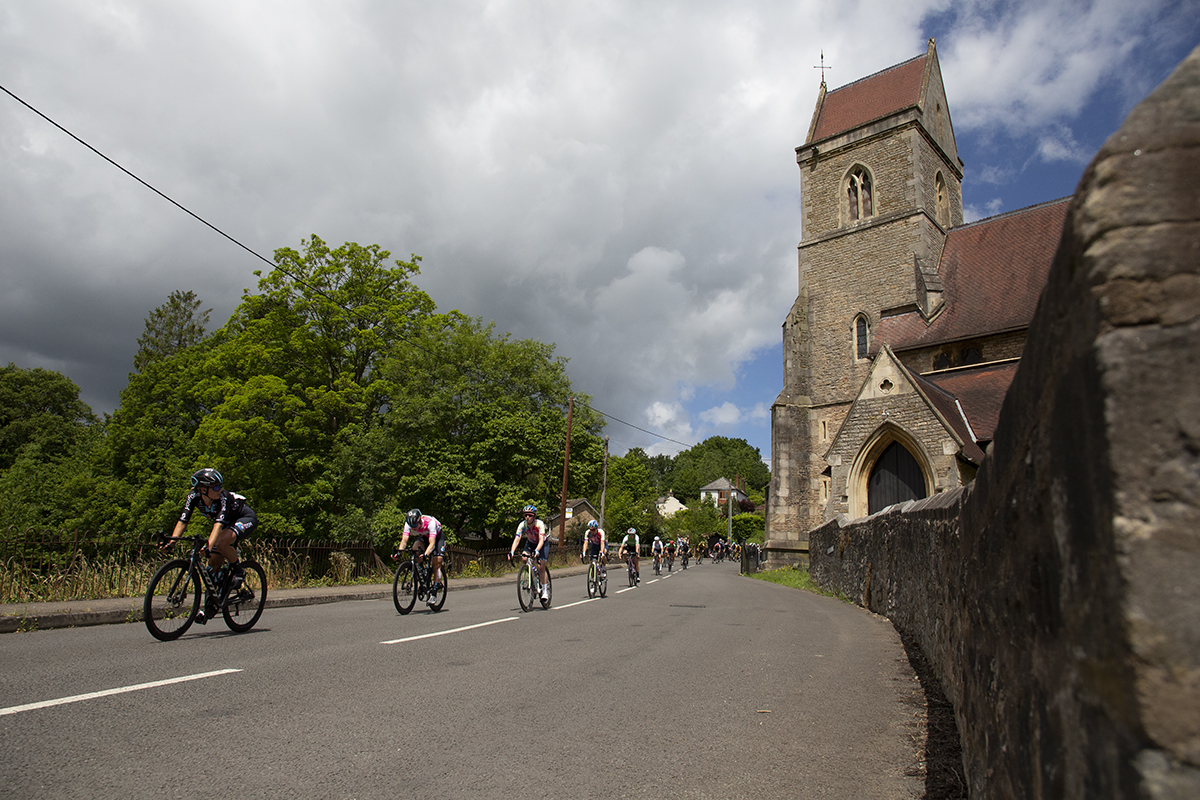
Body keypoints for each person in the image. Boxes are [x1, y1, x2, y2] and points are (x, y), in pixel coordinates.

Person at [165, 468, 256, 624]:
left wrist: (209, 545)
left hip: (244, 518)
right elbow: (183, 521)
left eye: (220, 486)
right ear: (203, 489)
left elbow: (217, 525)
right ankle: (210, 606)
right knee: (212, 564)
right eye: (215, 487)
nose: (219, 490)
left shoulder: (223, 498)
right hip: (225, 524)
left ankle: (239, 572)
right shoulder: (193, 497)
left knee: (220, 543)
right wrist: (171, 542)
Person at [393, 509, 447, 597]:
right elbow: (404, 540)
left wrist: (426, 554)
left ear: (420, 521)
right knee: (415, 548)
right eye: (411, 526)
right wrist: (399, 552)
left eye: (414, 525)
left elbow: (432, 543)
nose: (413, 528)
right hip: (425, 536)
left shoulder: (430, 523)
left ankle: (434, 590)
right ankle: (422, 571)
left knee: (436, 563)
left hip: (437, 537)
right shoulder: (408, 524)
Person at [508, 504, 550, 600]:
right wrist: (512, 552)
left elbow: (541, 540)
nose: (527, 517)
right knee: (524, 558)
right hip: (530, 543)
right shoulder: (522, 525)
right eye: (526, 515)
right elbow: (517, 539)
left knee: (541, 566)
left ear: (534, 516)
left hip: (542, 544)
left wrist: (537, 551)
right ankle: (532, 575)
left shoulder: (539, 524)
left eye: (530, 515)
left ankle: (544, 591)